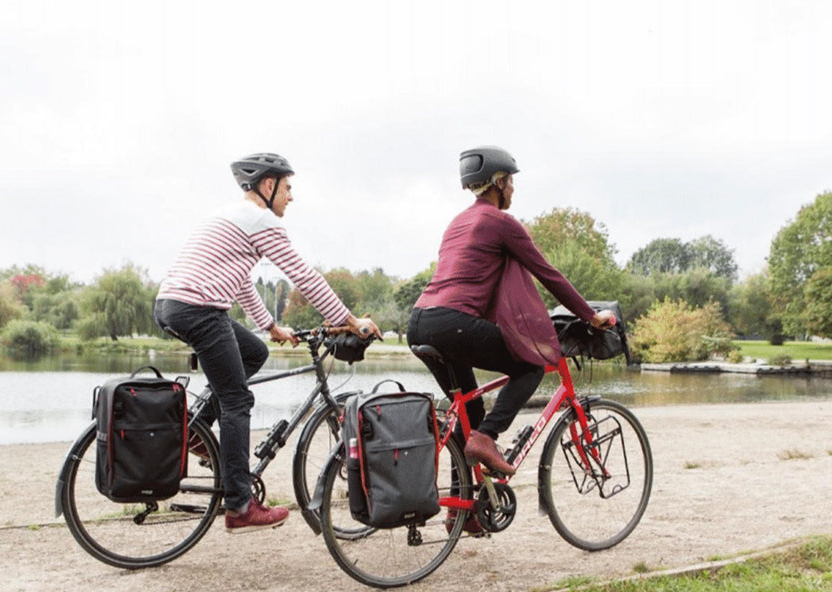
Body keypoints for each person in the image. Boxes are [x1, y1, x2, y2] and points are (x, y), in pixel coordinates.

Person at [154, 152, 381, 532]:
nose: (291, 197)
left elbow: (241, 279)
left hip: (172, 305)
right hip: (199, 309)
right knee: (238, 399)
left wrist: (270, 328)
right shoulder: (261, 221)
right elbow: (304, 277)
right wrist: (351, 321)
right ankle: (240, 505)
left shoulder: (229, 216)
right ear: (267, 185)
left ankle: (195, 432)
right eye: (288, 187)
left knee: (255, 352)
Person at [408, 145, 614, 476]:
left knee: (469, 412)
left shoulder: (457, 223)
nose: (514, 189)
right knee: (532, 364)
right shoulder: (501, 222)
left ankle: (465, 509)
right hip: (451, 323)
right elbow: (548, 274)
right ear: (499, 182)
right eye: (511, 182)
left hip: (419, 323)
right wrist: (590, 315)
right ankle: (488, 437)